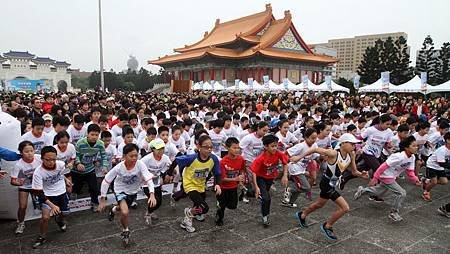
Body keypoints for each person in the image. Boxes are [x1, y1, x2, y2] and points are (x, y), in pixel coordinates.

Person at [295, 133, 368, 241]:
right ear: (343, 143)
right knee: (345, 208)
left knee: (319, 204)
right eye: (352, 143)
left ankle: (302, 214)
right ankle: (327, 226)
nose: (354, 146)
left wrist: (361, 174)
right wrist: (299, 157)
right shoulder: (333, 153)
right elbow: (315, 150)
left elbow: (354, 171)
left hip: (332, 184)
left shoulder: (351, 154)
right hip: (326, 183)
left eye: (355, 144)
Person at [98, 144, 156, 247]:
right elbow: (106, 181)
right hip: (120, 190)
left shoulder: (140, 164)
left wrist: (152, 194)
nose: (134, 158)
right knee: (125, 212)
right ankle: (125, 230)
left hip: (133, 191)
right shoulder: (119, 167)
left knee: (121, 209)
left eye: (136, 155)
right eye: (131, 156)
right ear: (124, 156)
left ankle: (113, 210)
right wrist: (103, 198)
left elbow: (148, 178)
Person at [354, 136, 422, 221]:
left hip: (391, 176)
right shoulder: (398, 156)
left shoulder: (412, 157)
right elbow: (383, 166)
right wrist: (375, 178)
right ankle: (394, 213)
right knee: (401, 193)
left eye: (417, 146)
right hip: (385, 175)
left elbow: (410, 172)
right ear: (406, 148)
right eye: (414, 146)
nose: (417, 148)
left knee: (379, 192)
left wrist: (416, 180)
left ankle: (362, 191)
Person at [175, 135, 221, 233]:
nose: (209, 149)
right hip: (189, 184)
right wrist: (169, 173)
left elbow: (217, 173)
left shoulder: (213, 159)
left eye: (211, 147)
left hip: (201, 185)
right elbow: (177, 159)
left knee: (199, 207)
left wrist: (217, 184)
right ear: (199, 147)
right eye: (206, 147)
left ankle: (186, 218)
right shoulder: (191, 158)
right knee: (205, 208)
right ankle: (188, 212)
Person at [31, 146, 73, 248]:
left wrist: (66, 180)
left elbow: (59, 173)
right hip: (48, 196)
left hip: (62, 193)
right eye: (47, 160)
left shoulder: (61, 164)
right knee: (45, 218)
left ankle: (59, 220)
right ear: (42, 159)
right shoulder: (38, 172)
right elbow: (39, 194)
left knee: (64, 213)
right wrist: (52, 205)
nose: (51, 162)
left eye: (53, 159)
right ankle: (42, 236)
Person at [251, 134, 289, 227]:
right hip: (260, 178)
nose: (275, 148)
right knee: (266, 198)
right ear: (265, 146)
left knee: (264, 194)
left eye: (276, 145)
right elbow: (254, 173)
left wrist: (285, 175)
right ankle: (265, 217)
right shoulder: (261, 158)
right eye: (272, 146)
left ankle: (248, 192)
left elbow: (285, 163)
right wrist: (256, 187)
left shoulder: (278, 153)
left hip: (270, 178)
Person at [73, 124, 108, 210]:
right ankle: (74, 192)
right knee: (77, 187)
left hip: (90, 169)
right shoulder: (80, 143)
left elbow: (104, 156)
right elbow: (75, 155)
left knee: (94, 188)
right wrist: (78, 163)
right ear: (87, 134)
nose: (94, 137)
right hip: (78, 171)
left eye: (96, 135)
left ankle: (94, 202)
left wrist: (105, 166)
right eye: (92, 134)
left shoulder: (100, 144)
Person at [10, 141, 41, 234]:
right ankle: (21, 223)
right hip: (24, 186)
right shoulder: (18, 165)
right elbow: (12, 181)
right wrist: (18, 183)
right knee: (23, 206)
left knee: (44, 202)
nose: (30, 153)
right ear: (21, 152)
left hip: (37, 184)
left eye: (31, 150)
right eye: (26, 151)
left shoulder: (39, 158)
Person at [283, 128, 318, 207]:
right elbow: (287, 152)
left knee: (299, 186)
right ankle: (289, 190)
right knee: (306, 187)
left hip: (301, 169)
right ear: (306, 137)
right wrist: (288, 162)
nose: (314, 140)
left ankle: (289, 202)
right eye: (312, 138)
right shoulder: (301, 146)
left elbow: (316, 157)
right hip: (295, 169)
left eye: (315, 138)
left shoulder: (315, 145)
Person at [215, 137, 246, 226]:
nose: (237, 150)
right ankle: (219, 217)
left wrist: (240, 181)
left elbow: (241, 170)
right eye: (234, 148)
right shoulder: (223, 162)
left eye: (238, 148)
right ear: (227, 148)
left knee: (233, 205)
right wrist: (235, 179)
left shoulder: (241, 159)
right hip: (223, 187)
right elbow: (222, 178)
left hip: (233, 187)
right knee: (222, 206)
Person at [140, 139, 171, 225]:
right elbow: (139, 169)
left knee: (159, 202)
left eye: (162, 148)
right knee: (154, 200)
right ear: (153, 149)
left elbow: (169, 166)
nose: (161, 151)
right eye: (158, 149)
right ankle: (148, 214)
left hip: (156, 182)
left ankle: (150, 211)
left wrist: (164, 175)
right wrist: (146, 176)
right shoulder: (146, 159)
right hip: (146, 183)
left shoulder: (165, 158)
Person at [422, 132, 450, 201]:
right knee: (434, 182)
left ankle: (427, 181)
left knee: (444, 181)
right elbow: (441, 163)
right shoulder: (442, 150)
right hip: (432, 165)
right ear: (448, 140)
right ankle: (426, 192)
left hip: (439, 167)